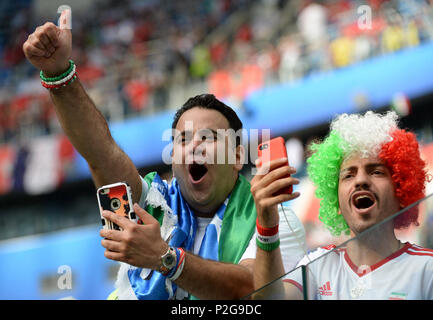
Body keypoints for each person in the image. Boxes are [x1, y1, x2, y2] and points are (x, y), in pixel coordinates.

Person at [22, 20, 305, 300]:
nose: (194, 146)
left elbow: (251, 290)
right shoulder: (149, 204)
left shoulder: (278, 222)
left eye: (208, 137)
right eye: (182, 140)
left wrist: (165, 258)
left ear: (237, 156)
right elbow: (100, 154)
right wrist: (58, 74)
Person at [251, 110, 433, 300]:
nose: (360, 180)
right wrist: (267, 226)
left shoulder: (427, 269)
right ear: (335, 199)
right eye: (348, 175)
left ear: (401, 190)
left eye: (376, 172)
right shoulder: (316, 267)